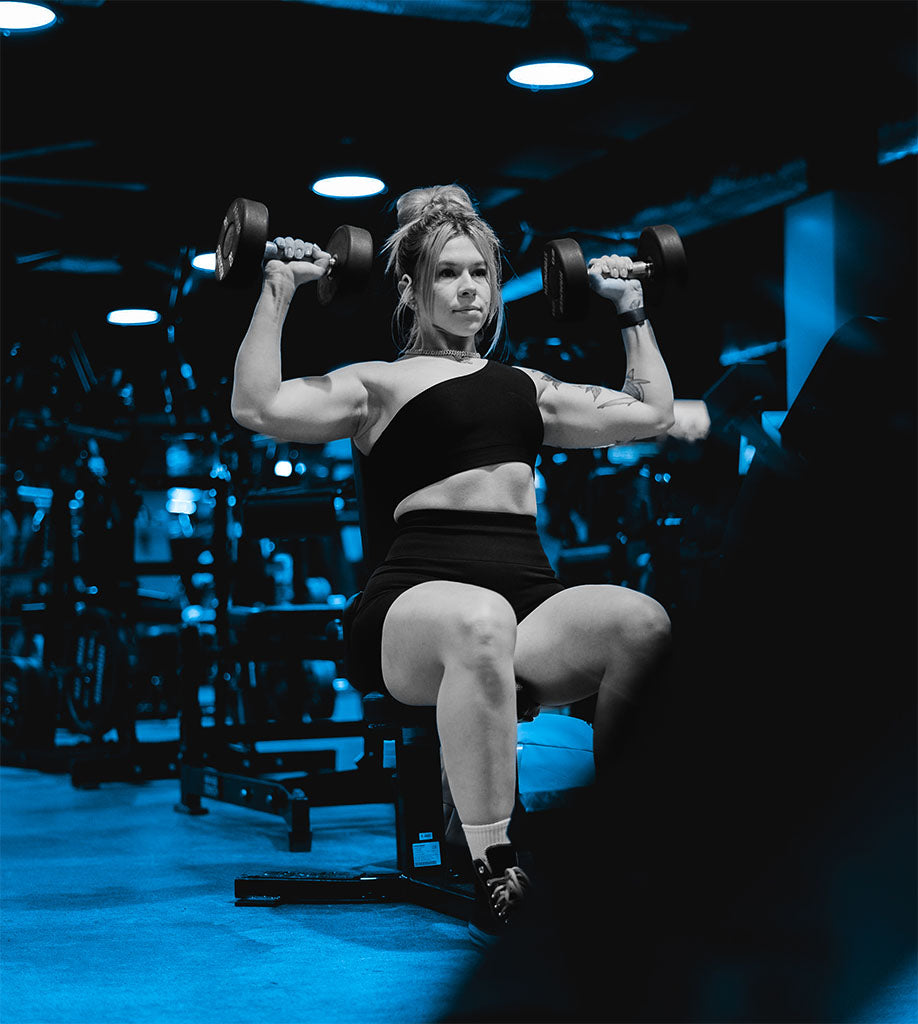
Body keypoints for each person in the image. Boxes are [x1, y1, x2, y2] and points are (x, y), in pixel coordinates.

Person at [231, 184, 675, 947]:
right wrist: (277, 287)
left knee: (641, 620)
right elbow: (258, 405)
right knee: (479, 620)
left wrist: (630, 307)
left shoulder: (528, 387)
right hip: (411, 610)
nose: (469, 289)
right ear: (408, 288)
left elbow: (651, 411)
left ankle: (623, 841)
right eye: (447, 274)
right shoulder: (377, 383)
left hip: (527, 604)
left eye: (480, 274)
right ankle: (495, 861)